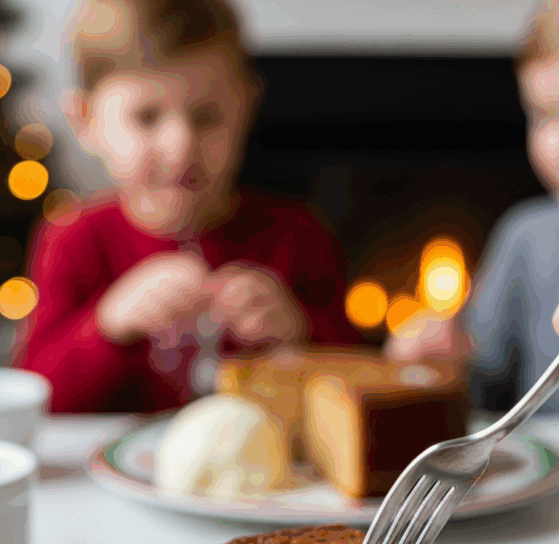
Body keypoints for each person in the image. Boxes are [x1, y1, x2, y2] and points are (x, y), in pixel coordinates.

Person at [13, 0, 357, 413]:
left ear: (245, 108)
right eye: (146, 117)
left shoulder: (299, 235)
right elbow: (37, 394)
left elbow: (356, 378)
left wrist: (297, 330)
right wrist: (108, 323)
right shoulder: (72, 239)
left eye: (206, 117)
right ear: (85, 121)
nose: (181, 147)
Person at [386, 0, 559, 415]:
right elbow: (488, 384)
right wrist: (444, 359)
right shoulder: (525, 236)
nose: (556, 144)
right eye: (543, 116)